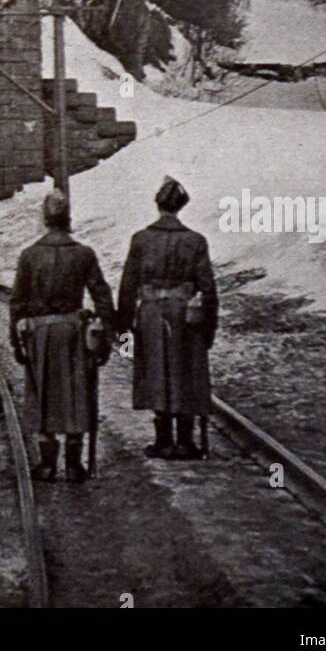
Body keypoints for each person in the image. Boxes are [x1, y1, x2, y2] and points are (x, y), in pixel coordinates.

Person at [10, 190, 114, 483]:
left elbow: (17, 302)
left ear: (45, 219)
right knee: (76, 393)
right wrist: (105, 336)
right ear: (68, 218)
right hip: (73, 333)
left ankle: (46, 464)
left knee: (42, 391)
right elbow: (102, 296)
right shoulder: (83, 254)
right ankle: (73, 463)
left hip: (40, 334)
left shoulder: (30, 255)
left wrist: (15, 341)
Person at [116, 175, 218, 460]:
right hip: (184, 314)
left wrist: (122, 325)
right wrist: (209, 327)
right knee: (185, 373)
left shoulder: (141, 239)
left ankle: (163, 441)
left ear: (158, 204)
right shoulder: (196, 241)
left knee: (156, 371)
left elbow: (127, 285)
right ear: (180, 206)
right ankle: (185, 442)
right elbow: (208, 289)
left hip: (150, 313)